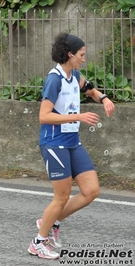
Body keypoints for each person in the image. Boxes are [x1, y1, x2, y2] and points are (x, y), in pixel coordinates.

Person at [27, 33, 115, 259]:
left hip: (72, 141)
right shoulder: (54, 79)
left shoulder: (74, 75)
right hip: (54, 143)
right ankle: (38, 242)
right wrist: (78, 116)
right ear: (70, 55)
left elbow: (91, 89)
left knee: (91, 190)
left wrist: (103, 98)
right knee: (62, 196)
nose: (84, 59)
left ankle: (51, 221)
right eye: (82, 55)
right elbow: (44, 116)